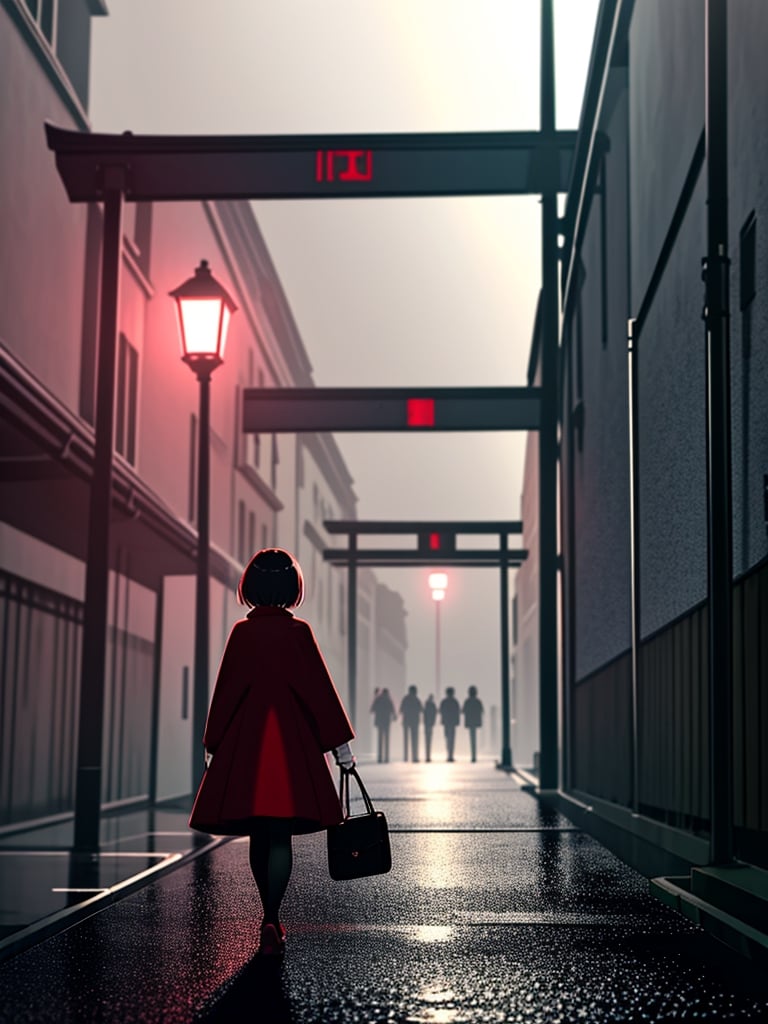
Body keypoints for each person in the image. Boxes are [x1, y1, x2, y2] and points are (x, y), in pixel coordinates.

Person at [188, 548, 355, 957]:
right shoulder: (299, 634)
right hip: (291, 749)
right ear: (291, 587)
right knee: (281, 837)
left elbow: (226, 692)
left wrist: (213, 742)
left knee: (258, 835)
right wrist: (341, 748)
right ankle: (271, 916)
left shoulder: (242, 634)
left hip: (247, 748)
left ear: (251, 586)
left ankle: (268, 913)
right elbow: (319, 692)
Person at [370, 686, 396, 763]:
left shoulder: (378, 699)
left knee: (380, 740)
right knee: (387, 740)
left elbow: (372, 709)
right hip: (386, 721)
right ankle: (386, 757)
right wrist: (394, 716)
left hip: (380, 721)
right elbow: (393, 710)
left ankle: (380, 757)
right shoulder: (389, 700)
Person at [399, 685, 423, 762]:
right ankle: (414, 757)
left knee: (406, 740)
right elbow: (421, 709)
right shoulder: (417, 699)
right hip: (414, 721)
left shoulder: (405, 699)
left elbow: (401, 709)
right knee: (415, 740)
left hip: (406, 721)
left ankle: (405, 757)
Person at [462, 685, 484, 763]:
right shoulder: (478, 701)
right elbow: (482, 710)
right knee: (474, 739)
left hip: (470, 721)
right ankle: (474, 755)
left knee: (472, 738)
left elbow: (463, 711)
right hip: (475, 721)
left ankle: (473, 756)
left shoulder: (467, 701)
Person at [439, 687, 460, 761]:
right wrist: (457, 722)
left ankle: (449, 755)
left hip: (446, 723)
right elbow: (457, 712)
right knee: (452, 739)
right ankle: (450, 755)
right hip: (452, 723)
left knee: (447, 739)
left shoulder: (444, 702)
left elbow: (441, 711)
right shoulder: (455, 702)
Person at [423, 694, 437, 762]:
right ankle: (428, 756)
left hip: (426, 724)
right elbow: (434, 714)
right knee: (429, 739)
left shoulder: (426, 705)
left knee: (427, 740)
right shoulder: (433, 705)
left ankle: (427, 756)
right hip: (430, 724)